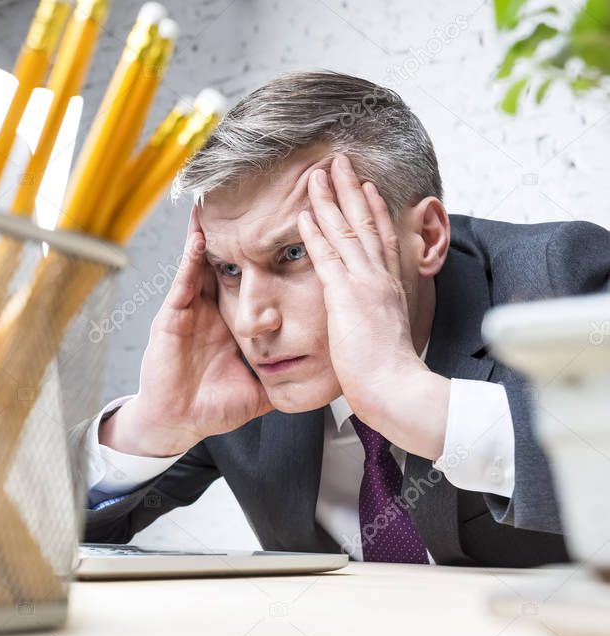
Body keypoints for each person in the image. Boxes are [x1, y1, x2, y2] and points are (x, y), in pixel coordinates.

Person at [78, 71, 610, 566]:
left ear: (424, 238)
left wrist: (419, 403)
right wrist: (150, 426)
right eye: (229, 269)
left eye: (293, 253)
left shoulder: (561, 279)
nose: (252, 320)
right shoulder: (232, 370)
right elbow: (22, 544)